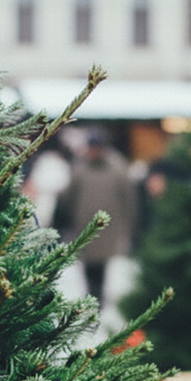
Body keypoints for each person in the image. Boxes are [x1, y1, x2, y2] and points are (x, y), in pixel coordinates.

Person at [53, 129, 138, 306]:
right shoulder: (80, 168)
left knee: (101, 270)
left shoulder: (117, 168)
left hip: (107, 230)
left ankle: (97, 301)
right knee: (88, 270)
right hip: (84, 227)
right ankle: (93, 299)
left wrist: (128, 227)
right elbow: (69, 197)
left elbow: (128, 199)